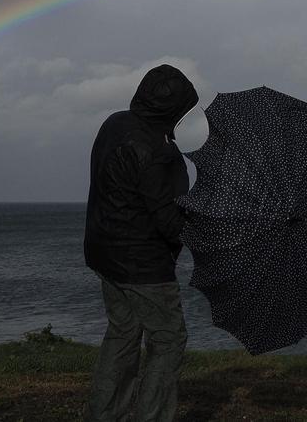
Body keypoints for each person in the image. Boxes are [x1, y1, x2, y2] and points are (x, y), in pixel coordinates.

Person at [83, 63, 198, 422]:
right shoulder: (155, 151)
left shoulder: (114, 124)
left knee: (123, 334)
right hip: (143, 265)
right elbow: (168, 222)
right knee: (168, 341)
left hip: (105, 253)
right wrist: (203, 222)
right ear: (172, 109)